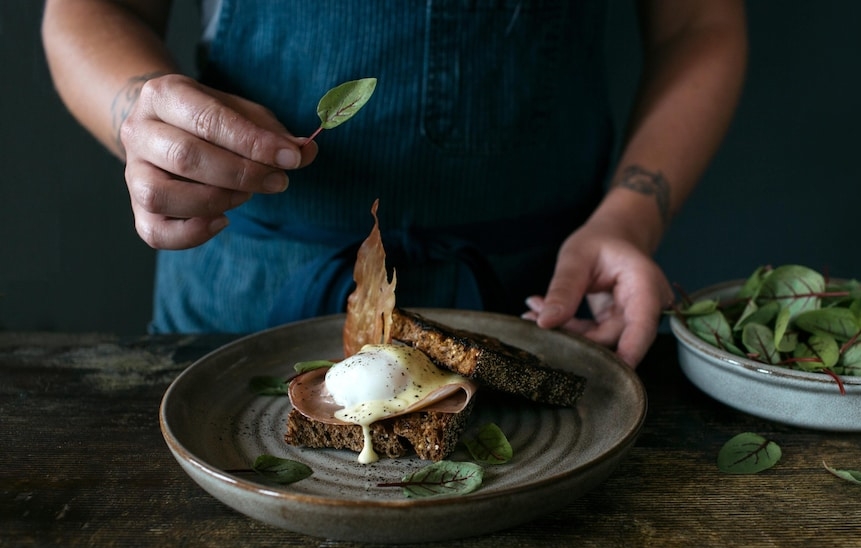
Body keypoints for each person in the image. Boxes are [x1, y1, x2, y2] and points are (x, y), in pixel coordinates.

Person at [41, 0, 747, 368]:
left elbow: (697, 22)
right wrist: (141, 114)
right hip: (246, 303)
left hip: (539, 308)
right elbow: (89, 8)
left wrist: (631, 215)